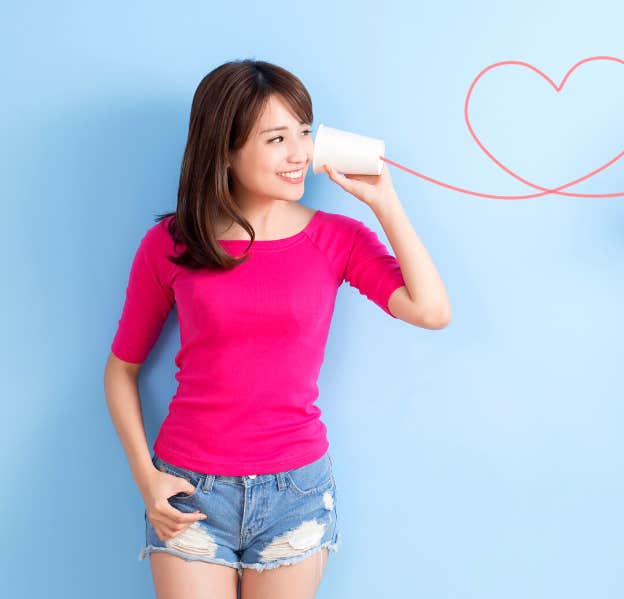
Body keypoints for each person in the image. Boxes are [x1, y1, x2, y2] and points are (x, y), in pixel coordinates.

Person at [103, 59, 451, 598]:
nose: (300, 154)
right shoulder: (172, 244)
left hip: (296, 492)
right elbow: (120, 372)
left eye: (305, 133)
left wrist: (385, 201)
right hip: (191, 492)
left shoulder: (338, 238)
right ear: (225, 149)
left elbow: (431, 310)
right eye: (276, 138)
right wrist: (146, 478)